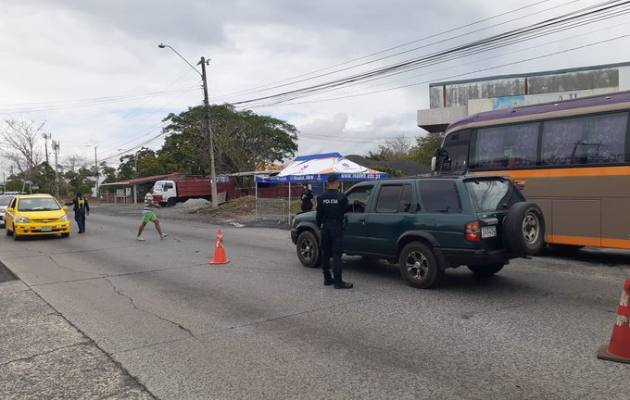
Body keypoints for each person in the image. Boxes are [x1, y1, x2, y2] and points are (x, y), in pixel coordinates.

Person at [316, 174, 353, 289]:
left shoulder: (321, 197)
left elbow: (318, 215)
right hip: (336, 227)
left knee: (326, 253)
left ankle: (327, 279)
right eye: (339, 182)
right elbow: (345, 211)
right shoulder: (341, 197)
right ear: (337, 182)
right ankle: (338, 282)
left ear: (328, 183)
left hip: (325, 227)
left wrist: (320, 227)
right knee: (337, 255)